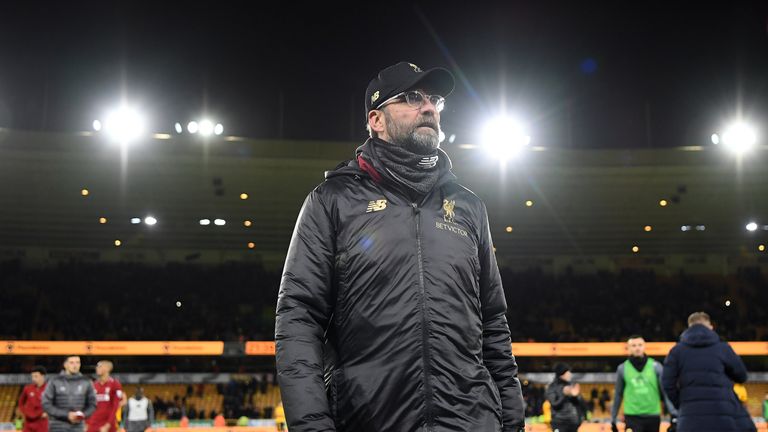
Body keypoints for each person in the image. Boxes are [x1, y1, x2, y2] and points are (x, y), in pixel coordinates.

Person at [275, 61, 525, 431]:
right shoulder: (333, 200)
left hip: (472, 421)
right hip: (370, 420)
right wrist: (312, 425)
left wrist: (512, 419)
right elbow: (299, 318)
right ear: (376, 120)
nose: (428, 107)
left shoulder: (470, 207)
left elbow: (493, 321)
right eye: (411, 97)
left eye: (434, 100)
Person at [662, 312, 756, 432]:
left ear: (689, 327)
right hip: (724, 416)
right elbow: (742, 376)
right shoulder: (723, 348)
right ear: (710, 327)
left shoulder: (676, 351)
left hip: (690, 418)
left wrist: (681, 403)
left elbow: (667, 383)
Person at [611, 335, 678, 432]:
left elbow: (665, 392)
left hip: (653, 415)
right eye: (633, 345)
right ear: (628, 348)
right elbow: (618, 394)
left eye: (640, 345)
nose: (637, 348)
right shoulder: (622, 368)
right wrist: (613, 418)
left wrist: (673, 413)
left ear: (644, 346)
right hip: (632, 415)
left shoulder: (656, 366)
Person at [42, 355, 97, 432]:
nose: (75, 365)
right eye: (72, 363)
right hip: (57, 427)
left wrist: (82, 415)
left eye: (78, 362)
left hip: (78, 427)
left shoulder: (86, 382)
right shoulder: (54, 381)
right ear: (65, 365)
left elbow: (93, 404)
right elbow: (46, 404)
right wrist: (67, 415)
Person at [545, 363, 586, 432]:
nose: (570, 374)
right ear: (562, 374)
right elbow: (555, 404)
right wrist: (564, 394)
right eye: (568, 372)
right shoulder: (552, 387)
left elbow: (579, 405)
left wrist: (577, 396)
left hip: (573, 423)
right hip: (559, 423)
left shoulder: (571, 385)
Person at [87, 361, 125, 432]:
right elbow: (90, 406)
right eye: (97, 366)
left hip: (108, 425)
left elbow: (115, 406)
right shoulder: (94, 385)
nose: (97, 368)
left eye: (100, 366)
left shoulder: (115, 384)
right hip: (93, 424)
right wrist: (87, 423)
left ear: (108, 368)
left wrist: (108, 425)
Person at [18, 366, 48, 432]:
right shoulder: (27, 388)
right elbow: (20, 402)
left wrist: (49, 413)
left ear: (42, 376)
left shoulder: (49, 389)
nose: (33, 378)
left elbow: (55, 402)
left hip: (42, 422)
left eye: (36, 376)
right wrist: (25, 412)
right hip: (28, 422)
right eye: (32, 376)